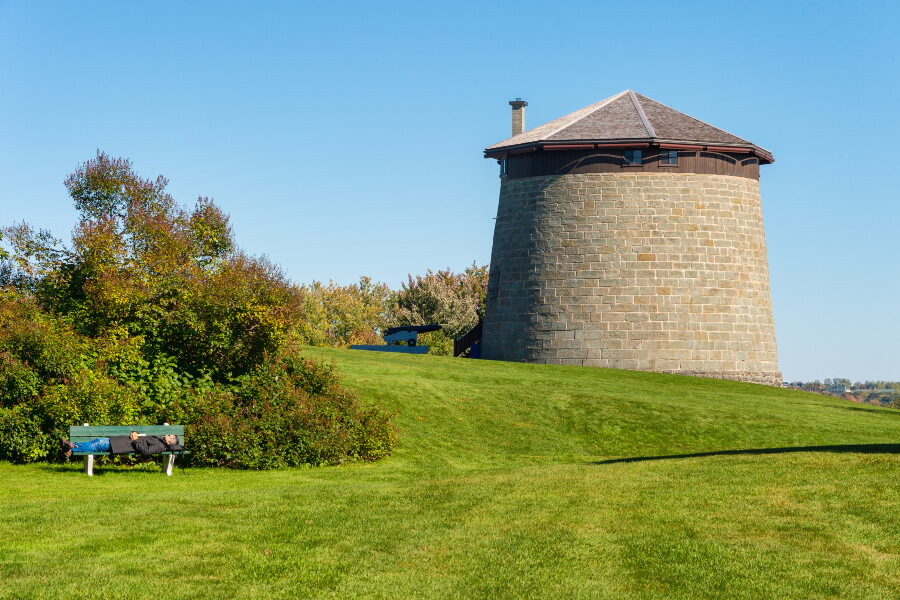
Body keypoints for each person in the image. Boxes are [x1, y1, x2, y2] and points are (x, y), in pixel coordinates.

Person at [61, 431, 181, 458]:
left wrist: (135, 439)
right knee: (96, 441)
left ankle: (72, 449)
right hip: (122, 441)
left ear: (170, 441)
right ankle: (72, 447)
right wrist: (136, 435)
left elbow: (145, 451)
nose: (168, 435)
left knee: (97, 445)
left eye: (170, 436)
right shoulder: (159, 441)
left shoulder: (160, 446)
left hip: (123, 445)